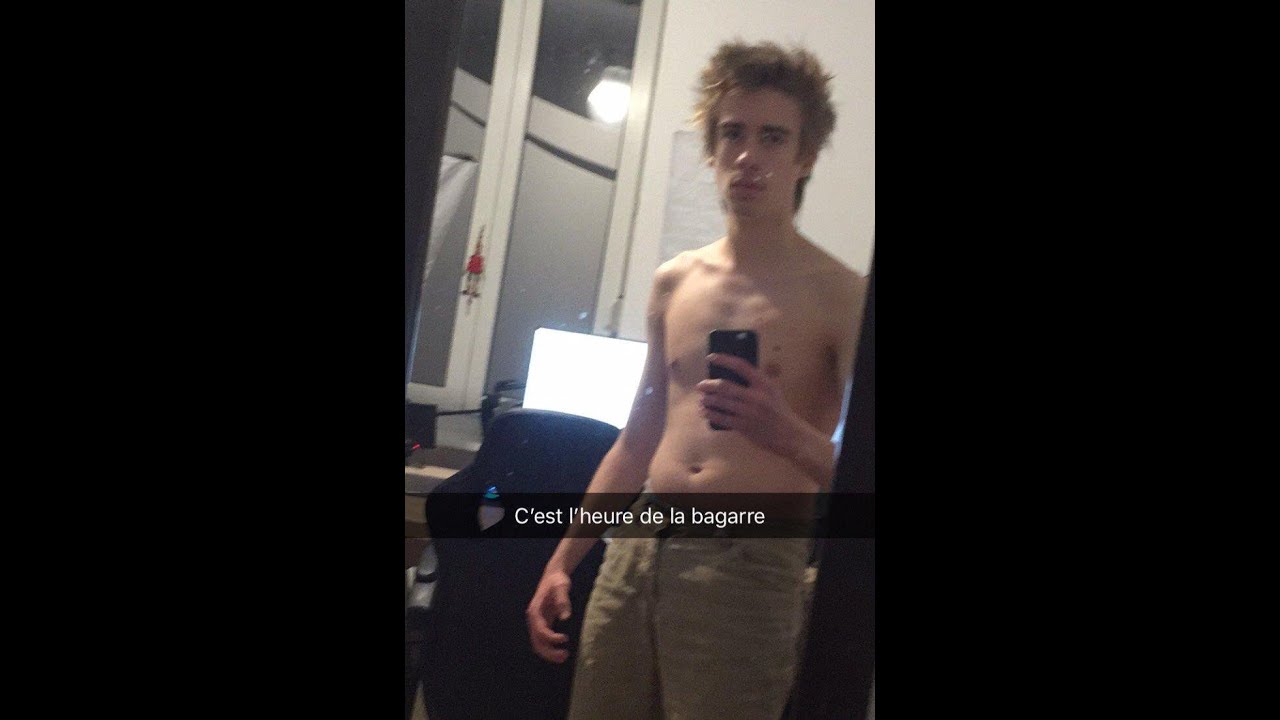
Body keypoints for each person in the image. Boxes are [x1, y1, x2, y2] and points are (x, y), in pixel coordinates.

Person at [526, 40, 868, 720]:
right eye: (733, 133)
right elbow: (636, 439)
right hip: (638, 546)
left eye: (773, 137)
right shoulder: (674, 282)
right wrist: (563, 560)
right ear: (712, 149)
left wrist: (785, 432)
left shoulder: (842, 297)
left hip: (748, 563)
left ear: (804, 157)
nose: (748, 155)